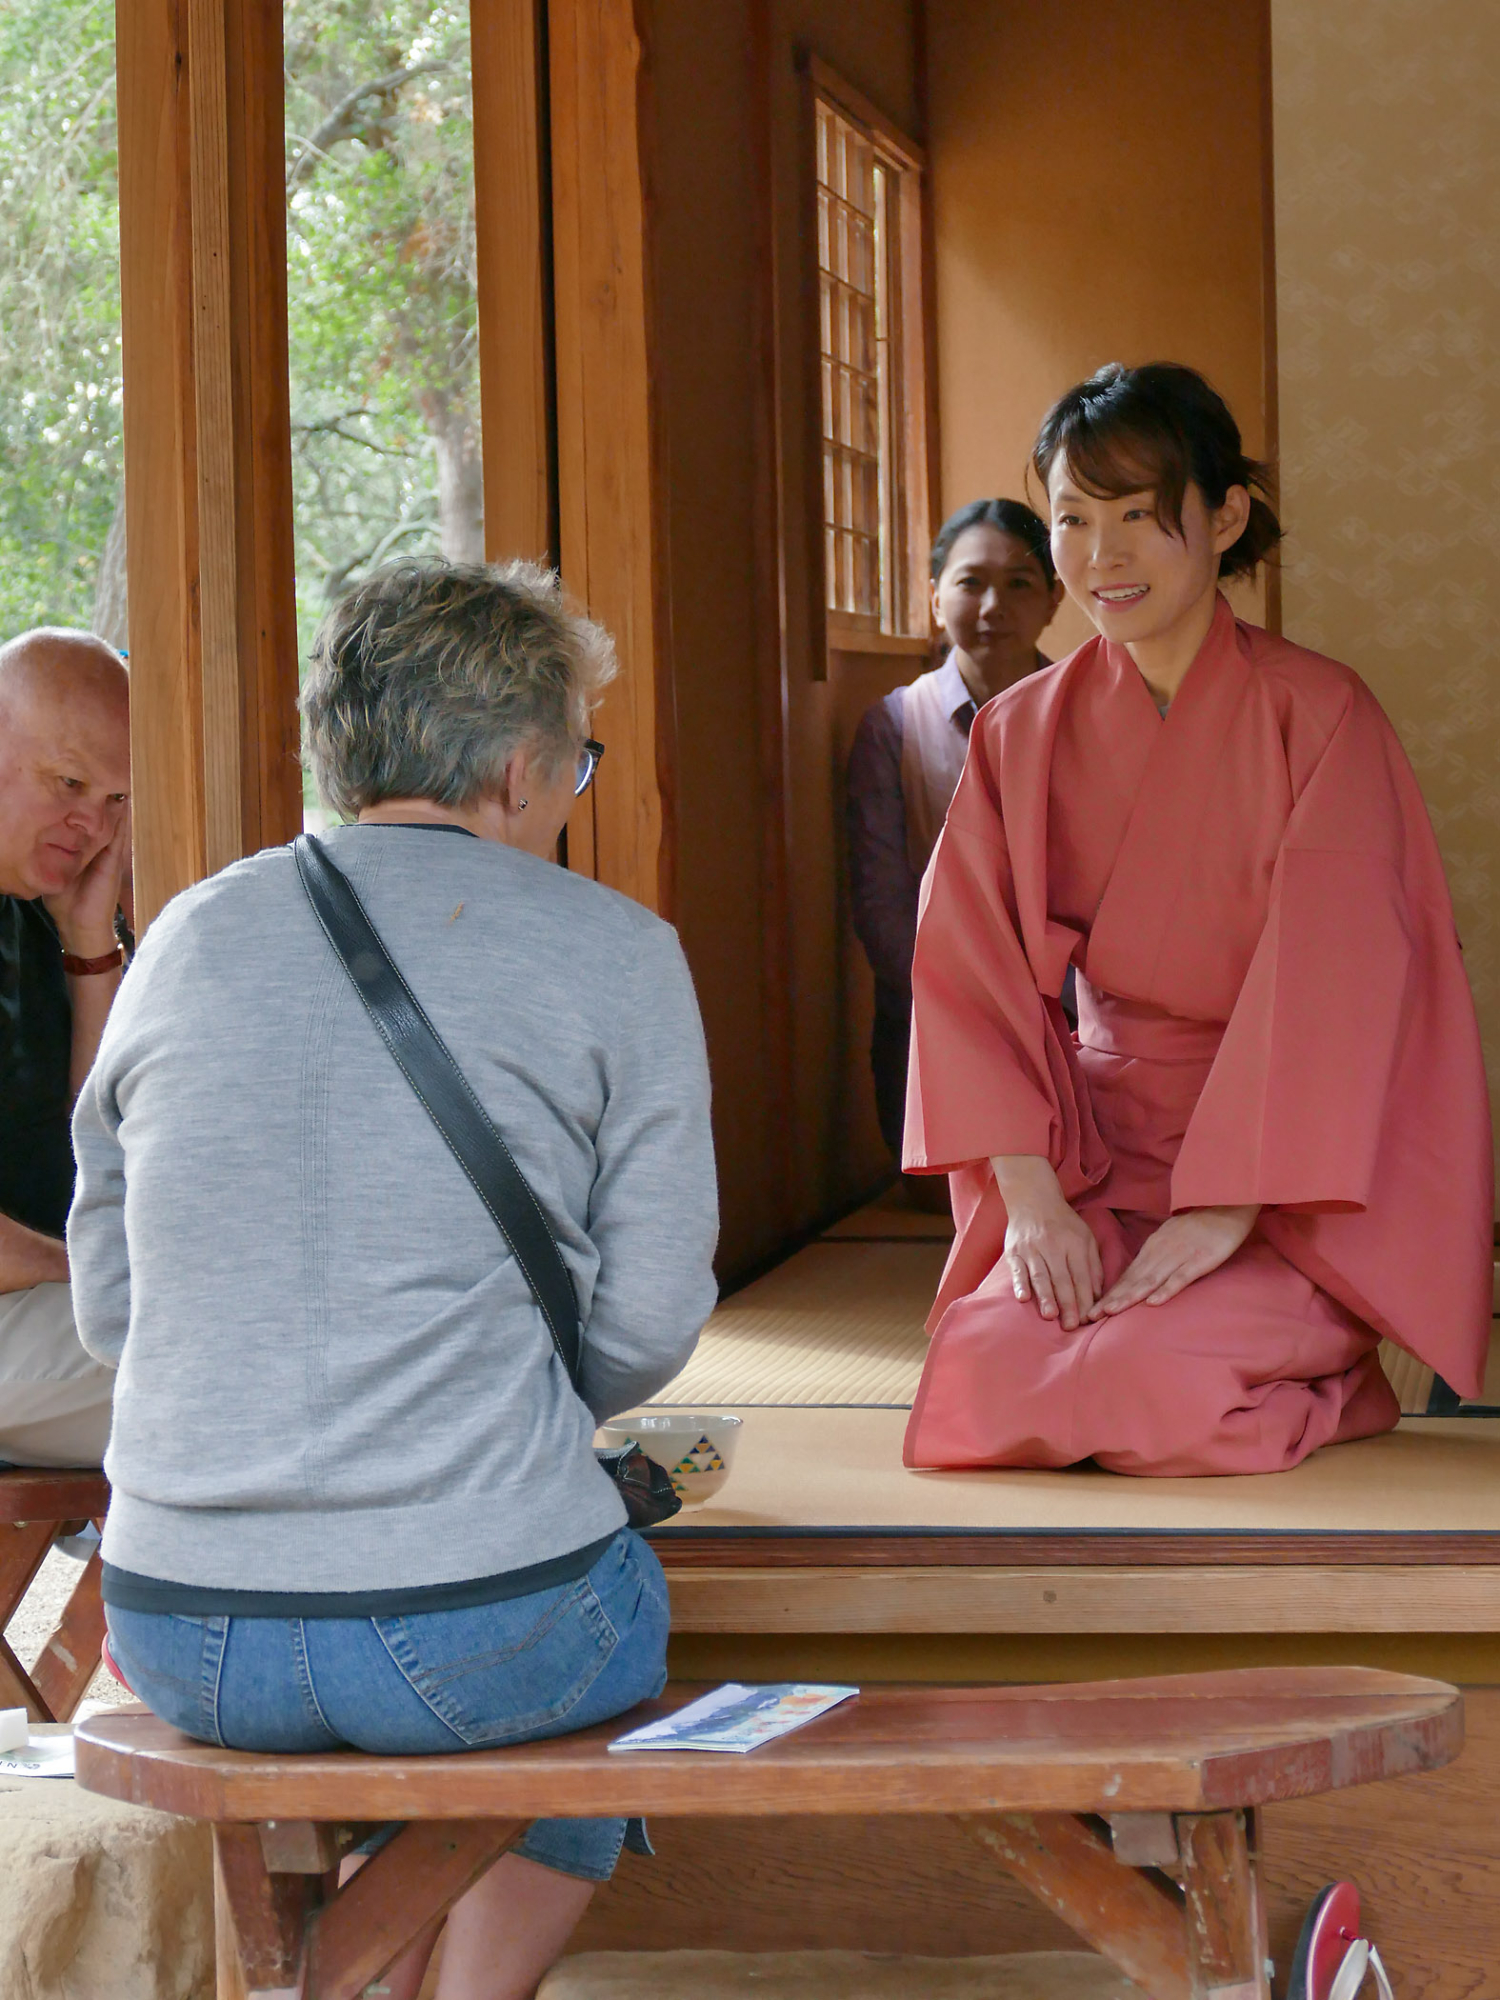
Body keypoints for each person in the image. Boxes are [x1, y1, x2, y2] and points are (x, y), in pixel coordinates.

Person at [67, 560, 720, 2000]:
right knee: (580, 1641)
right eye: (576, 762)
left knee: (472, 1670)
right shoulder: (619, 952)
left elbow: (113, 1312)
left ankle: (358, 1968)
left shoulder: (182, 939)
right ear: (520, 766)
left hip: (179, 1624)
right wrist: (514, 1409)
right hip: (486, 1626)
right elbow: (651, 1315)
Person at [902, 362, 1492, 1477]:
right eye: (1074, 518)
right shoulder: (1021, 729)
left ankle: (1332, 1376)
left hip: (1285, 1184)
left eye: (1138, 515)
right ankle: (1231, 1356)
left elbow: (1345, 979)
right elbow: (964, 966)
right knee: (983, 1373)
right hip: (1093, 1163)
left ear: (1223, 518)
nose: (1102, 555)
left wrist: (1228, 1205)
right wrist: (1030, 1198)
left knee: (1144, 1379)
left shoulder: (1320, 713)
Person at [847, 499, 1063, 1159]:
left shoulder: (1093, 715)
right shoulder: (894, 725)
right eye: (971, 582)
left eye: (1019, 583)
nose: (994, 605)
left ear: (1055, 598)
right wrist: (965, 1018)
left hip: (1072, 1032)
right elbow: (882, 903)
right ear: (936, 598)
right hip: (930, 1034)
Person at [0, 629, 129, 1468]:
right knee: (227, 1368)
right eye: (71, 783)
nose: (93, 824)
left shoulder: (37, 909)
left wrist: (88, 949)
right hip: (28, 1308)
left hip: (34, 1307)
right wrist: (96, 1274)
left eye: (118, 798)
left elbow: (94, 1163)